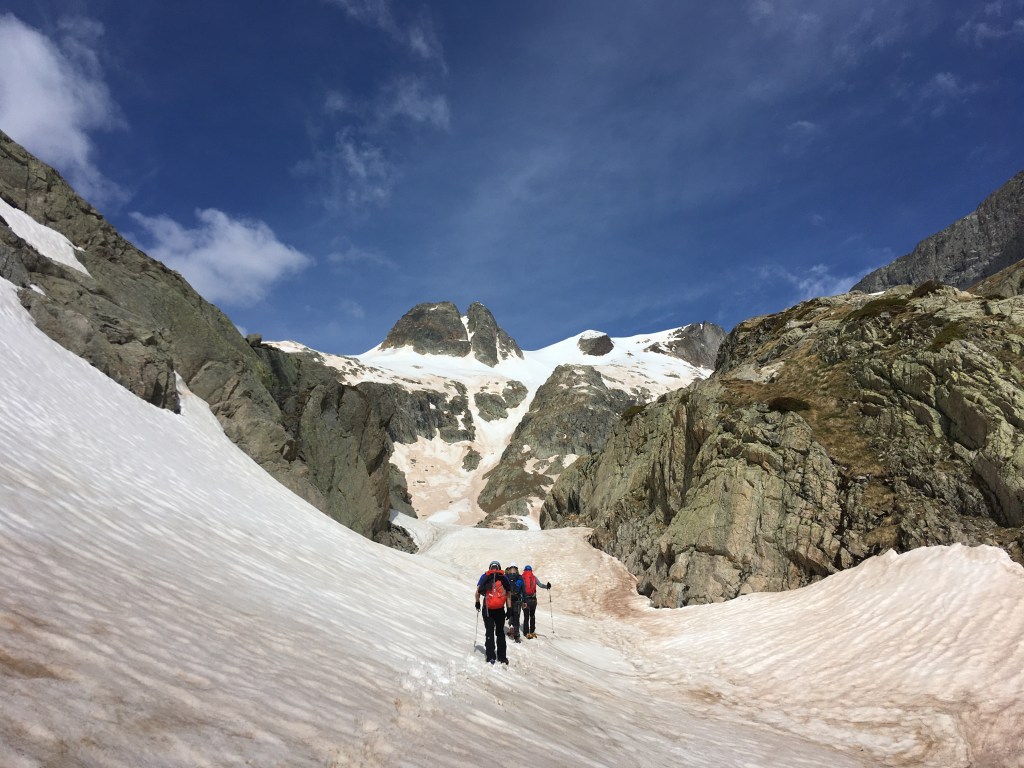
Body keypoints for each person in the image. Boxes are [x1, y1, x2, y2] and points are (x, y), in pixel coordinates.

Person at [475, 560, 512, 664]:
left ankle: (491, 657)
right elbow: (508, 594)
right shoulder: (504, 577)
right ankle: (502, 657)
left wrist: (477, 603)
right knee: (500, 633)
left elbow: (477, 592)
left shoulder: (485, 576)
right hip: (500, 610)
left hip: (488, 610)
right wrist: (509, 609)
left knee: (489, 632)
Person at [521, 564, 552, 639]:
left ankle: (526, 632)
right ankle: (532, 631)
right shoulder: (534, 578)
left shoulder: (521, 577)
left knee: (526, 617)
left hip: (525, 600)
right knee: (532, 616)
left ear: (524, 570)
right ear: (531, 570)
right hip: (533, 600)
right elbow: (541, 585)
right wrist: (547, 586)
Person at [504, 563, 525, 643]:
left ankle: (511, 628)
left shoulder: (506, 577)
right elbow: (523, 590)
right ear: (516, 569)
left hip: (508, 599)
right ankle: (517, 636)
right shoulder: (520, 577)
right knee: (516, 616)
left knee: (510, 614)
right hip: (517, 600)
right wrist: (525, 601)